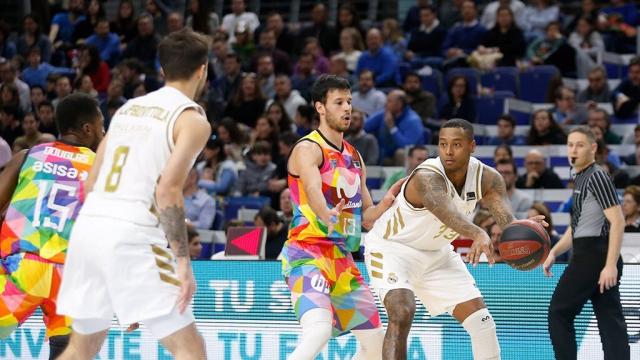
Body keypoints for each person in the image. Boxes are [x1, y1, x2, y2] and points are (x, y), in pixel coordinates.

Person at [55, 29, 211, 359]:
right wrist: (182, 262)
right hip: (132, 234)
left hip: (90, 229)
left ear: (163, 70)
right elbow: (168, 190)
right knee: (191, 349)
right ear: (203, 70)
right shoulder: (192, 119)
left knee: (81, 349)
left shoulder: (128, 109)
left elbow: (90, 183)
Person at [364, 118, 546, 359]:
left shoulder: (488, 178)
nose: (448, 151)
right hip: (392, 249)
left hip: (437, 254)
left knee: (482, 322)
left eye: (457, 144)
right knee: (401, 310)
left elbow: (504, 217)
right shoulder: (426, 176)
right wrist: (478, 232)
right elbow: (447, 213)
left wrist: (522, 229)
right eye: (443, 144)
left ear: (472, 146)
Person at [283, 74, 404, 359]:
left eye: (349, 102)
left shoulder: (354, 156)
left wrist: (387, 201)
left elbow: (367, 218)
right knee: (318, 331)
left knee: (376, 346)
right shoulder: (308, 148)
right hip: (307, 254)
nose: (347, 108)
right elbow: (312, 188)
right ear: (320, 108)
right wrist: (327, 214)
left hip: (342, 260)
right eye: (338, 102)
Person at [0, 93, 104, 359]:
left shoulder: (29, 155)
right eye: (102, 127)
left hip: (22, 269)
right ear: (87, 129)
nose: (104, 134)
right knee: (65, 350)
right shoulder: (101, 168)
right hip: (71, 278)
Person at [543, 126, 630, 360]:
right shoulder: (581, 177)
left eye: (580, 145)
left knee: (559, 313)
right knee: (611, 324)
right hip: (593, 254)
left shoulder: (596, 175)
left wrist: (610, 265)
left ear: (593, 148)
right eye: (570, 144)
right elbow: (577, 226)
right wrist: (554, 252)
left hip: (594, 256)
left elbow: (618, 221)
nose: (573, 150)